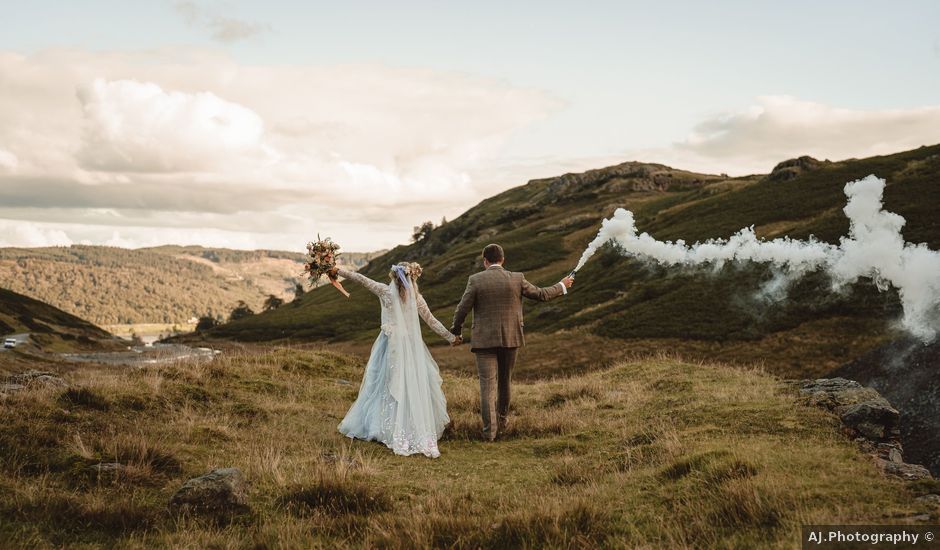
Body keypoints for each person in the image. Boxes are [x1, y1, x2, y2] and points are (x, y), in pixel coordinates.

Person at [331, 262, 459, 458]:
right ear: (412, 278)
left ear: (393, 277)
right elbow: (431, 320)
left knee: (383, 384)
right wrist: (451, 338)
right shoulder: (416, 298)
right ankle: (410, 426)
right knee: (411, 385)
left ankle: (383, 426)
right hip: (411, 348)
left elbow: (361, 279)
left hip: (389, 345)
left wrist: (337, 270)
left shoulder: (385, 292)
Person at [451, 244, 574, 441]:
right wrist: (561, 285)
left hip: (483, 341)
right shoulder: (517, 278)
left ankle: (489, 434)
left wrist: (456, 332)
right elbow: (541, 295)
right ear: (503, 259)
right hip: (511, 338)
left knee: (487, 386)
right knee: (505, 383)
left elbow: (461, 309)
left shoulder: (475, 280)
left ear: (485, 261)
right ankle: (503, 423)